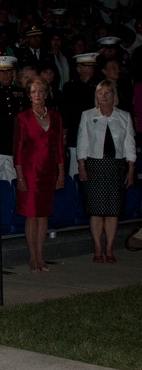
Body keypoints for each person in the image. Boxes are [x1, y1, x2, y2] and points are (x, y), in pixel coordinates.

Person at [77, 80, 136, 263]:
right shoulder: (87, 115)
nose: (103, 96)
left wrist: (131, 169)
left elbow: (129, 145)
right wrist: (82, 166)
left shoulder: (124, 116)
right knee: (96, 210)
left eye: (107, 92)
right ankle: (97, 247)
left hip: (116, 165)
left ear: (114, 95)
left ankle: (109, 248)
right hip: (94, 165)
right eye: (100, 92)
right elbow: (82, 142)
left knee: (112, 211)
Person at [14, 77, 65, 273]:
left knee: (43, 215)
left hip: (49, 171)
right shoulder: (22, 118)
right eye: (33, 92)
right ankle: (32, 257)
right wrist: (20, 177)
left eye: (41, 91)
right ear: (29, 95)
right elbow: (17, 150)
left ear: (46, 93)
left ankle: (41, 255)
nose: (37, 95)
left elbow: (59, 147)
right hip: (30, 171)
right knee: (31, 215)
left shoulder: (56, 116)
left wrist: (61, 173)